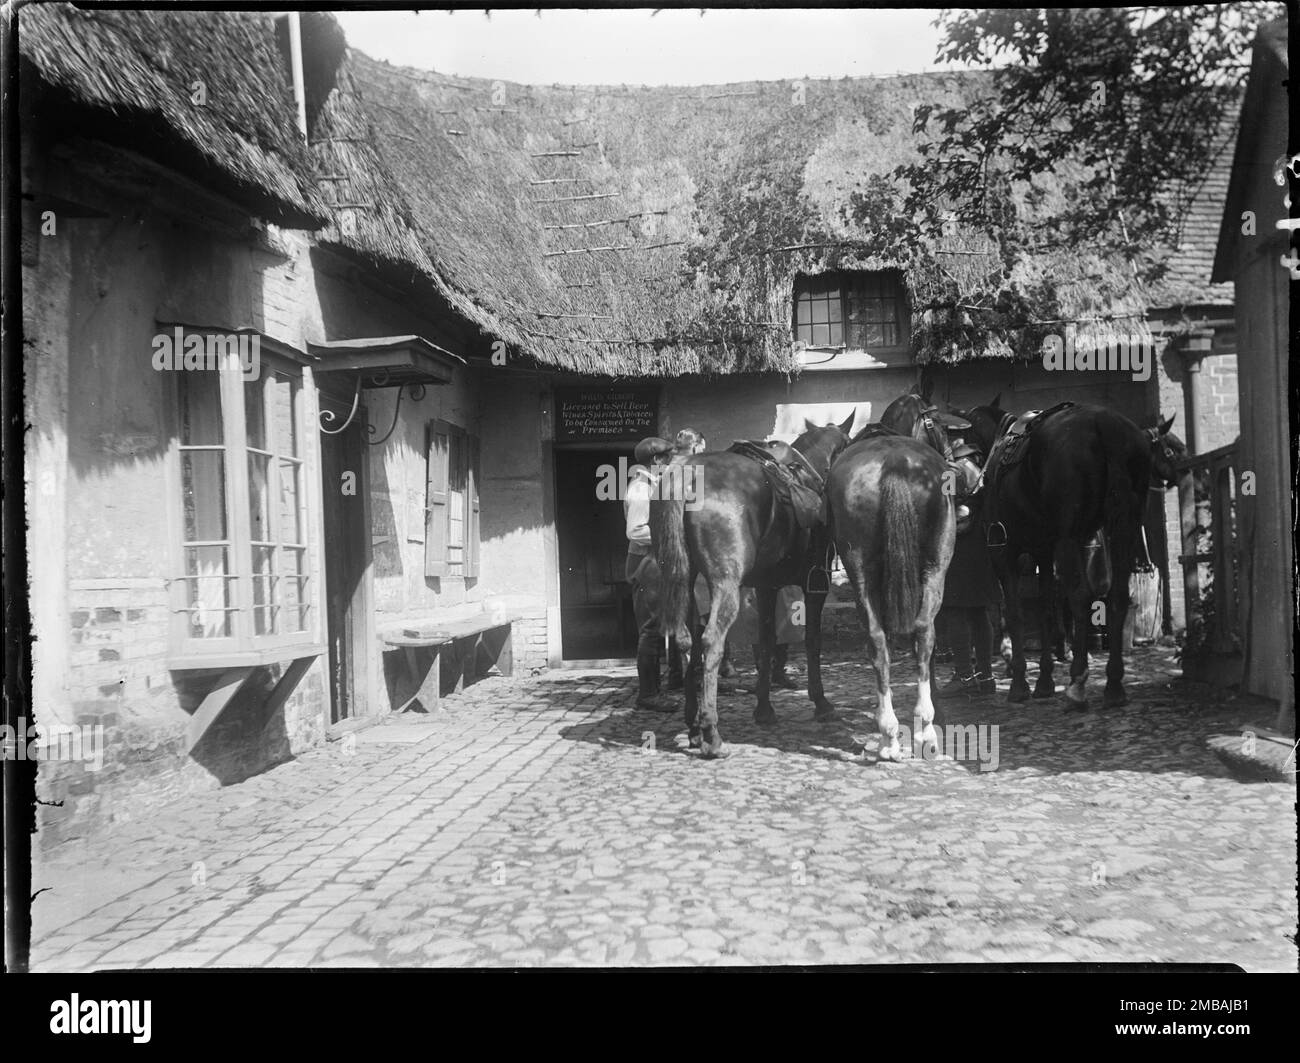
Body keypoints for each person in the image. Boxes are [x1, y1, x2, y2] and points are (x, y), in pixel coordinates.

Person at [937, 435, 999, 698]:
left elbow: (943, 507)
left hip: (959, 548)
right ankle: (986, 677)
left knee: (955, 612)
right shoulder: (980, 470)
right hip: (980, 549)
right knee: (978, 612)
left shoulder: (953, 471)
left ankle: (964, 676)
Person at [625, 436, 675, 710]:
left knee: (654, 628)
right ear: (656, 461)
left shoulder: (652, 485)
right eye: (667, 459)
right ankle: (648, 694)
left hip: (652, 562)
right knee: (650, 629)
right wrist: (669, 537)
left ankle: (653, 690)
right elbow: (635, 530)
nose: (670, 465)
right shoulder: (641, 489)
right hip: (645, 563)